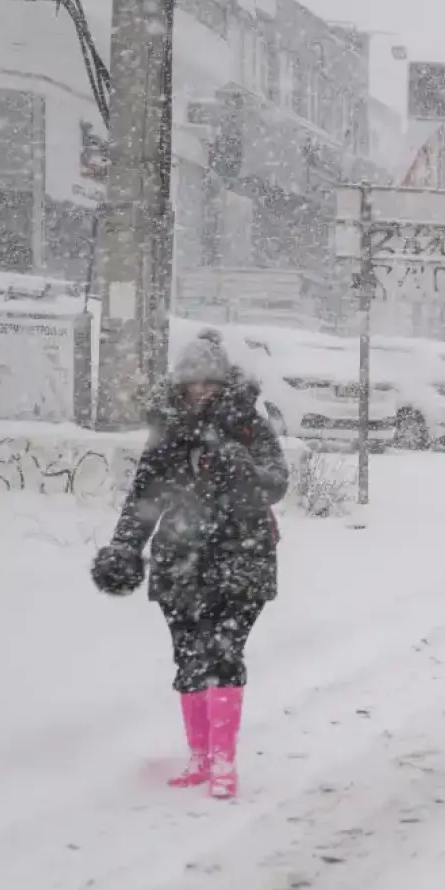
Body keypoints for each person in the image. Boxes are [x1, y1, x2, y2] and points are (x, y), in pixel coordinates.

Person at [90, 331, 289, 800]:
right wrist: (124, 548)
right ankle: (199, 757)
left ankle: (224, 761)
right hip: (179, 560)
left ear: (224, 384)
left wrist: (242, 469)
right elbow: (144, 498)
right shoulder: (168, 432)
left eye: (209, 384)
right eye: (191, 384)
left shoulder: (248, 426)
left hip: (243, 558)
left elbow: (276, 484)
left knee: (223, 655)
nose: (200, 393)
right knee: (189, 659)